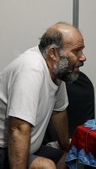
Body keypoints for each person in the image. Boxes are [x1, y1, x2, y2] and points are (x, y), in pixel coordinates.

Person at [0, 22, 86, 168]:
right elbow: (18, 129)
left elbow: (58, 112)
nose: (83, 57)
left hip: (29, 147)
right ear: (53, 54)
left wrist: (67, 148)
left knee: (72, 158)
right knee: (46, 166)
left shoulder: (57, 70)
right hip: (5, 148)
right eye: (76, 51)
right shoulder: (31, 69)